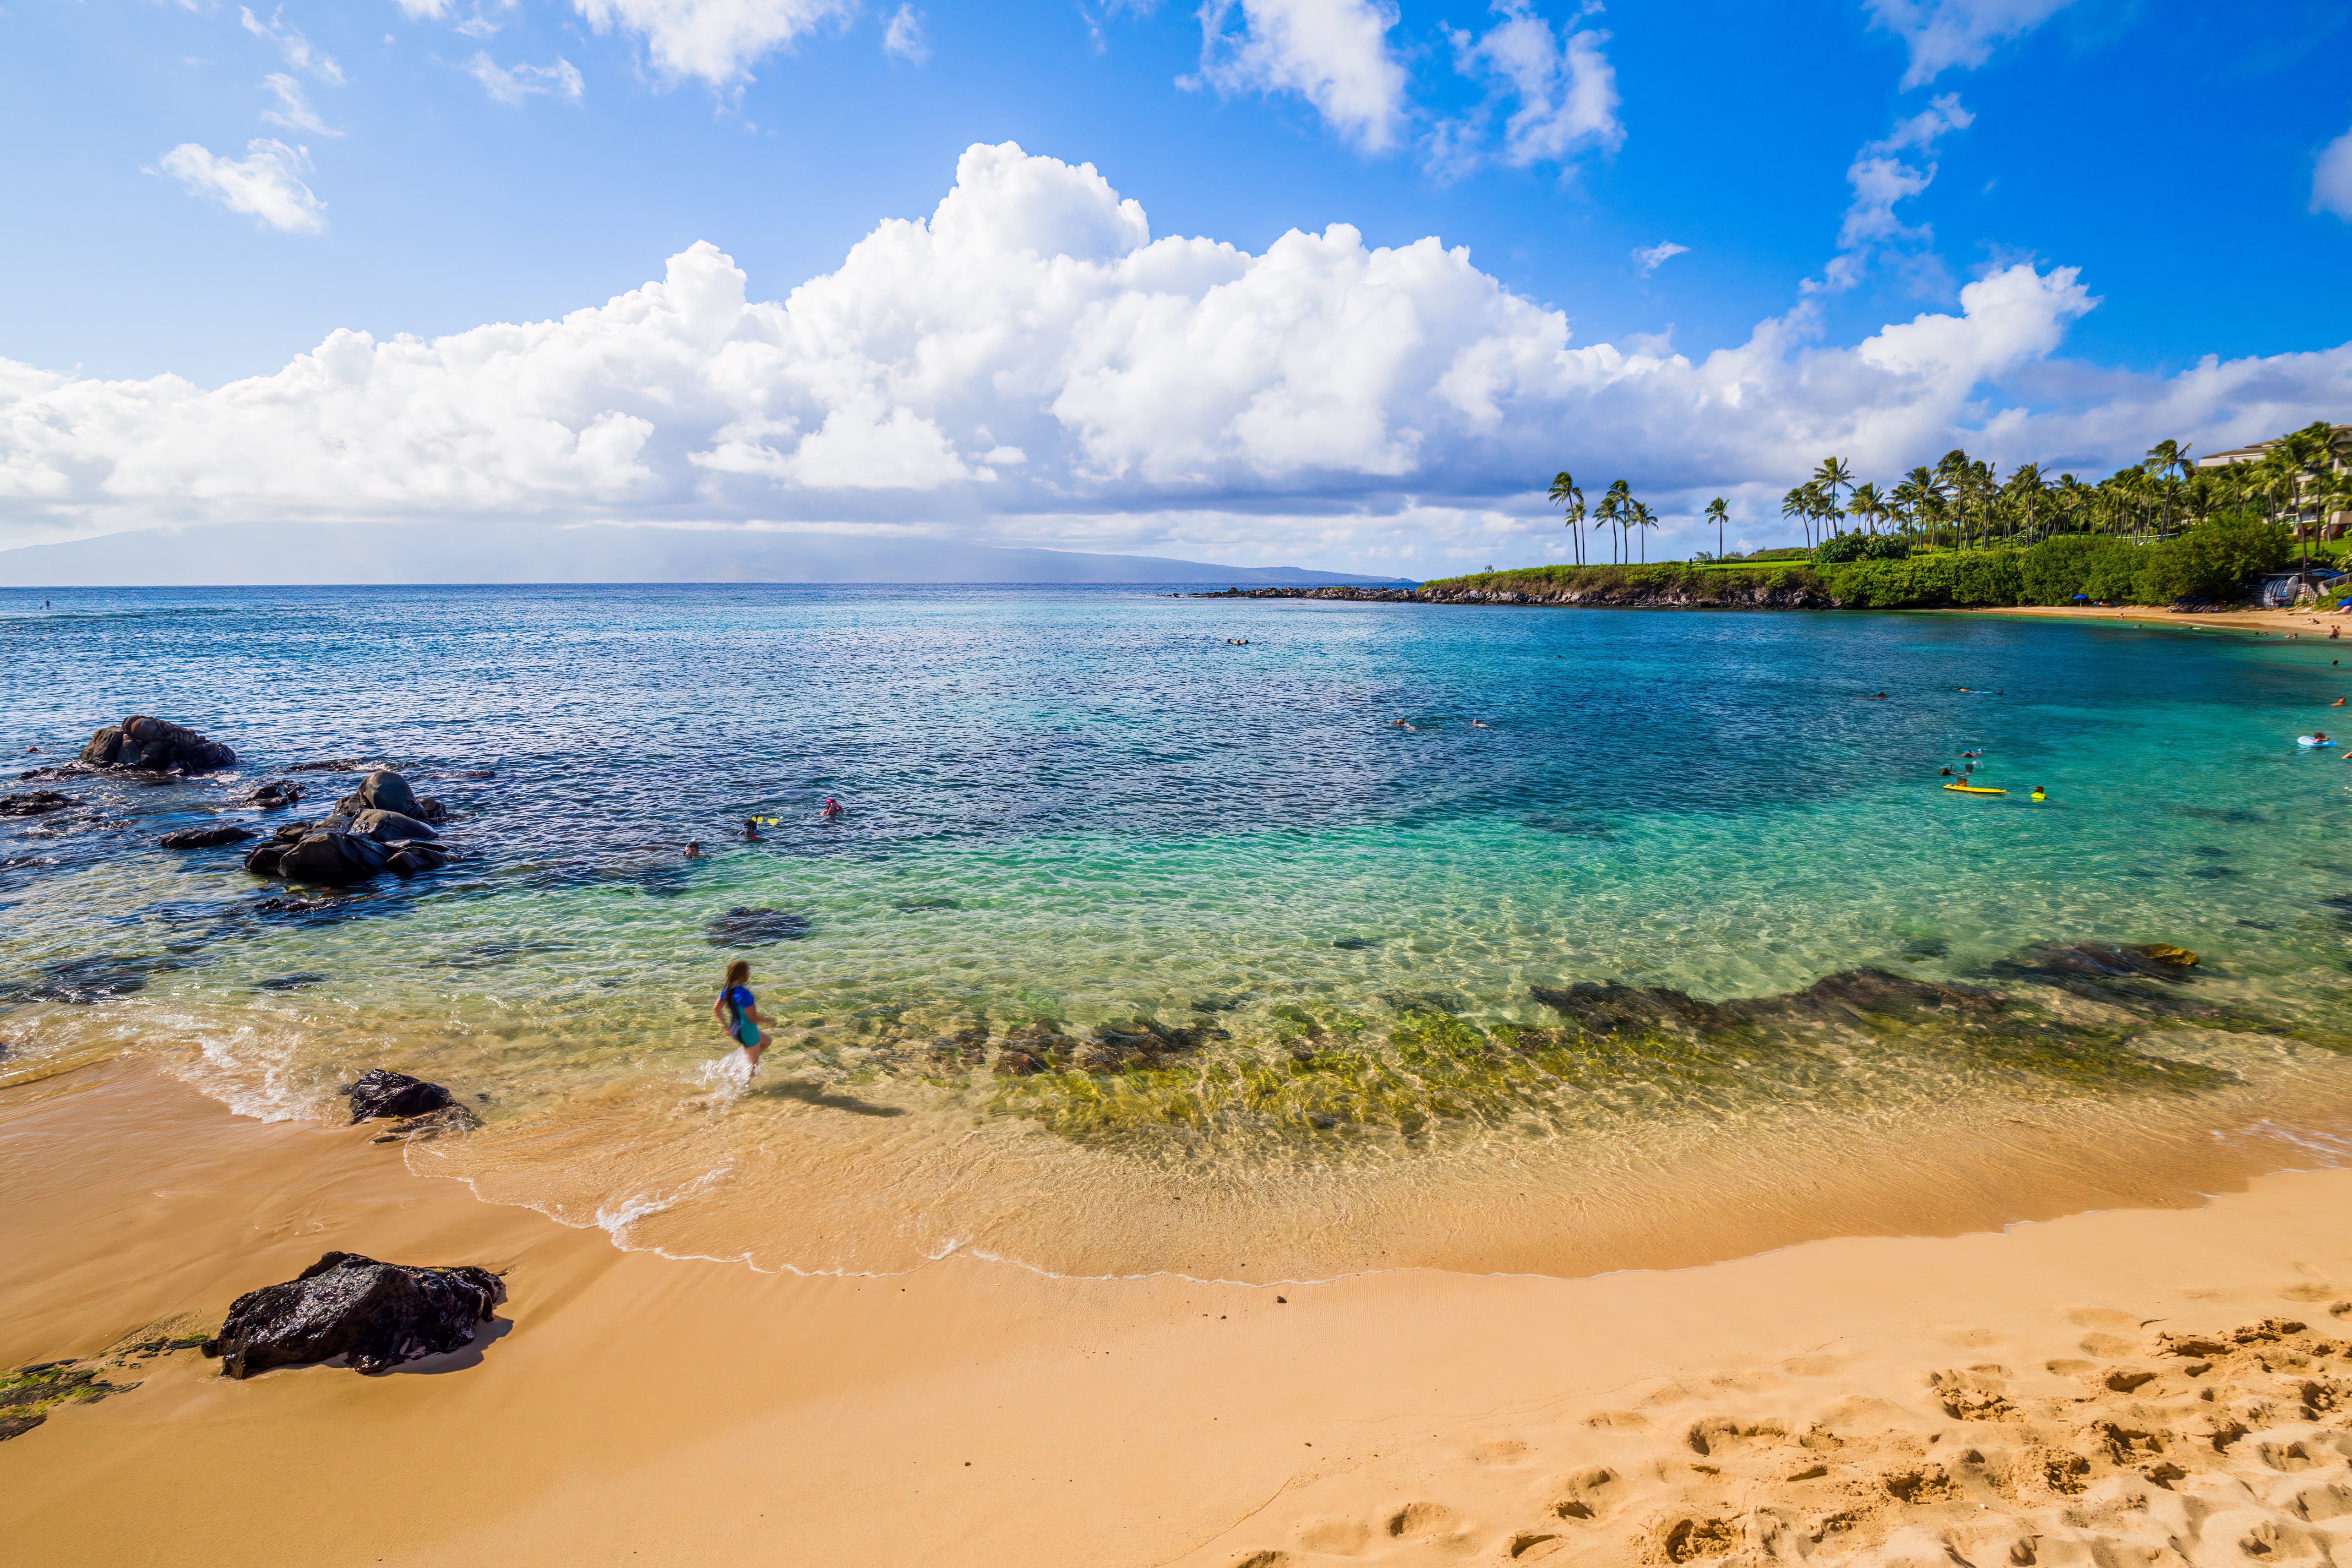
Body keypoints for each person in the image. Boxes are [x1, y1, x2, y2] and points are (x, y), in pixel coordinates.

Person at [713, 960, 770, 1071]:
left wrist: (726, 1027)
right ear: (743, 975)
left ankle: (742, 1062)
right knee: (753, 1068)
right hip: (747, 1031)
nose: (749, 974)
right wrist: (769, 1021)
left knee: (767, 1041)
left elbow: (717, 1010)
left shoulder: (727, 991)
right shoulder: (744, 995)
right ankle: (742, 1086)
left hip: (736, 1030)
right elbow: (753, 1018)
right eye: (748, 972)